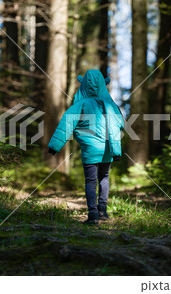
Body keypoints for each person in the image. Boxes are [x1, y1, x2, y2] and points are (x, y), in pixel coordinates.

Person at [48, 69, 125, 225]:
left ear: (83, 86)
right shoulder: (111, 105)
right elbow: (121, 124)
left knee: (91, 181)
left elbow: (66, 124)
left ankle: (93, 215)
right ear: (103, 85)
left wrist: (54, 146)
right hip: (108, 148)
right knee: (104, 177)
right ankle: (103, 210)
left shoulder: (81, 105)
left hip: (90, 150)